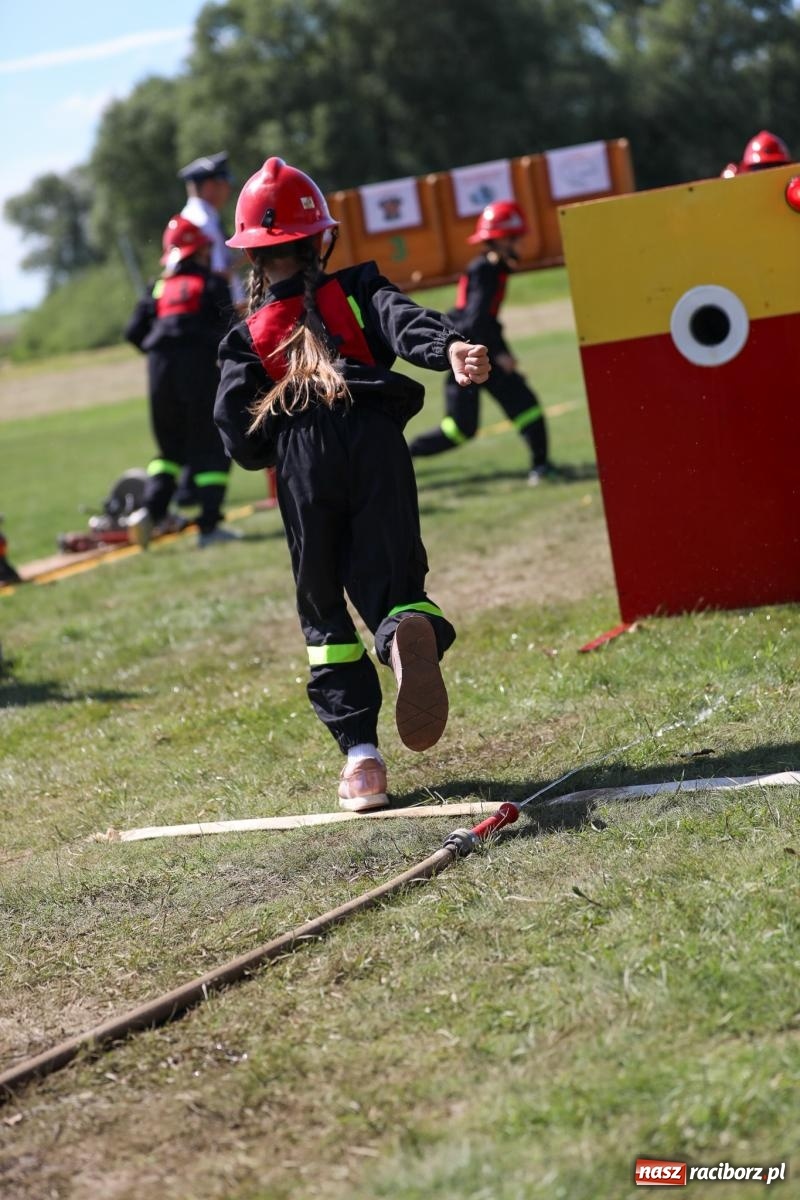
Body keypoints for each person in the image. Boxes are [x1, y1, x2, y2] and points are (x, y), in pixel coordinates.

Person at [213, 157, 490, 812]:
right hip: (375, 440)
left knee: (325, 609)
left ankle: (362, 762)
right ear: (321, 240)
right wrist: (449, 349)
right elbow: (404, 320)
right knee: (395, 582)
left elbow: (236, 438)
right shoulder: (360, 288)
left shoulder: (246, 338)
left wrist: (274, 439)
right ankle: (401, 641)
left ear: (254, 255)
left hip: (302, 460)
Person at [408, 200, 558, 485]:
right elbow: (475, 322)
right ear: (500, 240)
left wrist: (504, 352)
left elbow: (486, 321)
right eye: (516, 238)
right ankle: (403, 454)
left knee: (523, 406)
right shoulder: (485, 271)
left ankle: (541, 467)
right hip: (471, 352)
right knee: (460, 430)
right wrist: (499, 354)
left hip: (476, 348)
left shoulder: (495, 269)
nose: (521, 244)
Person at [124, 215, 241, 549]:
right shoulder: (212, 283)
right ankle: (209, 527)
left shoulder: (158, 287)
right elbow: (231, 331)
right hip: (199, 372)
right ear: (201, 251)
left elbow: (133, 332)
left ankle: (150, 511)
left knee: (168, 451)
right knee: (212, 448)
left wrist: (161, 349)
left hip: (160, 373)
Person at [179, 152, 246, 308]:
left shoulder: (196, 216)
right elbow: (220, 273)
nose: (228, 188)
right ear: (209, 186)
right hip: (219, 311)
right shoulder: (203, 221)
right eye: (224, 182)